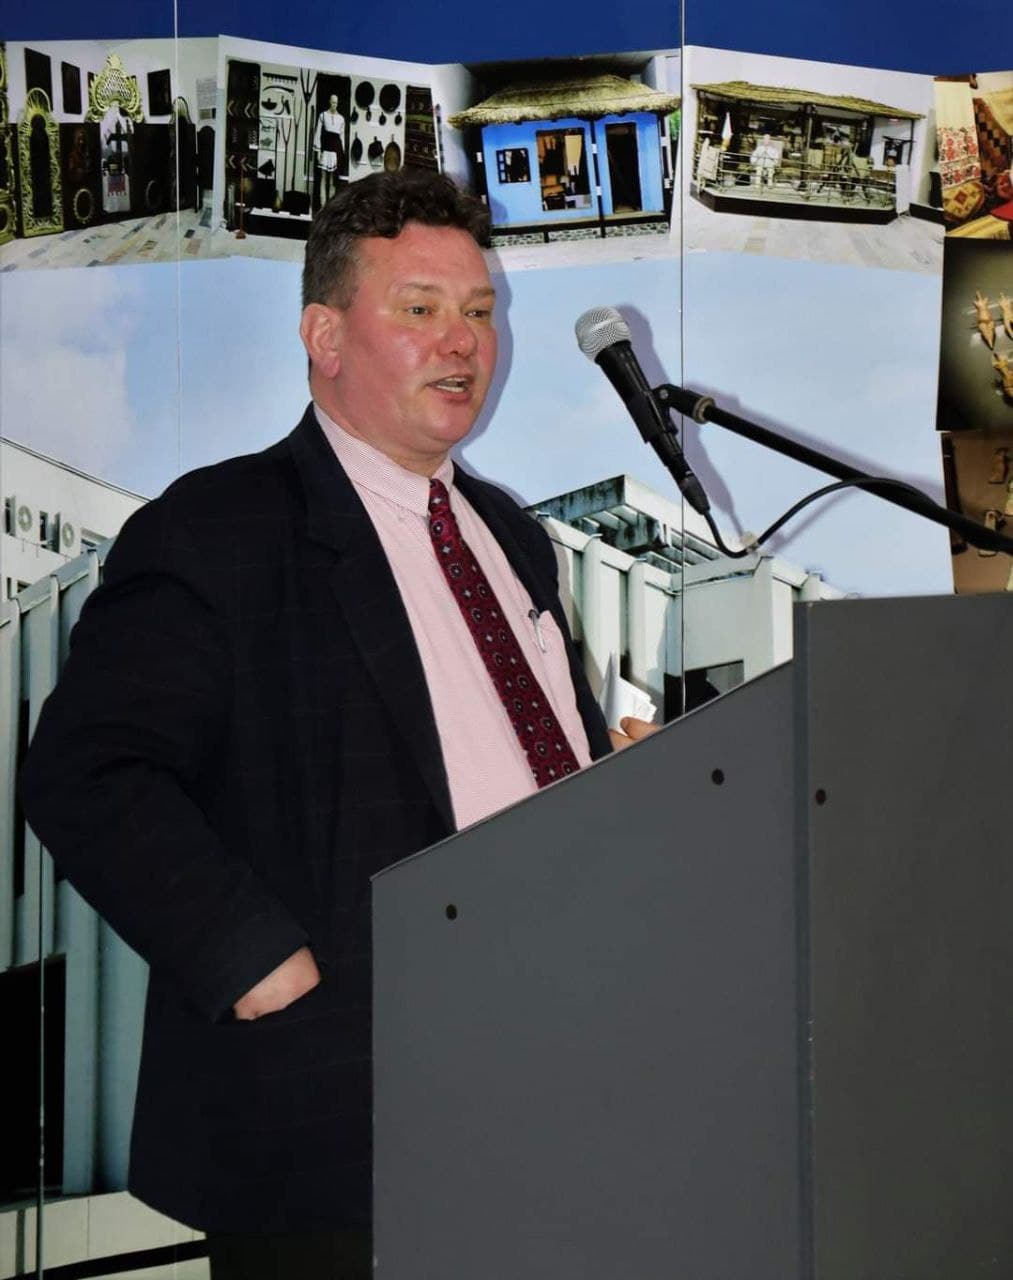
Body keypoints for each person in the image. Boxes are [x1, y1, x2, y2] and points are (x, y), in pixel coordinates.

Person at [20, 169, 654, 1279]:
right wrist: (252, 958)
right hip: (338, 1122)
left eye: (478, 309)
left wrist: (616, 782)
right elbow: (88, 770)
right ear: (324, 335)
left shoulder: (511, 534)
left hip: (557, 1079)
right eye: (419, 307)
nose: (461, 341)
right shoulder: (219, 526)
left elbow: (504, 763)